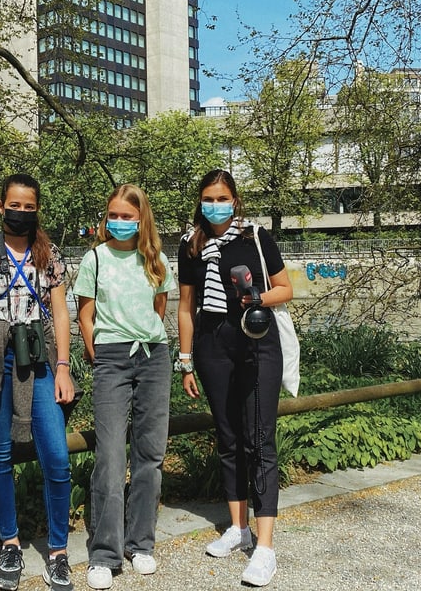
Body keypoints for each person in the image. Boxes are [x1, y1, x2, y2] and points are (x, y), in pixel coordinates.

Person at [177, 169, 293, 588]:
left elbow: (286, 289)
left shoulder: (256, 238)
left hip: (256, 343)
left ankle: (264, 548)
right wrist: (186, 359)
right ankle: (238, 526)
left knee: (259, 439)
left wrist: (256, 297)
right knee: (228, 437)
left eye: (222, 198)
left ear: (235, 201)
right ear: (200, 202)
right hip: (212, 347)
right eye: (208, 198)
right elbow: (186, 307)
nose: (215, 205)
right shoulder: (191, 245)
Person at [73, 184, 175, 591]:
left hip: (153, 356)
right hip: (111, 357)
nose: (118, 221)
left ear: (141, 219)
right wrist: (98, 352)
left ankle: (141, 543)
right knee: (111, 454)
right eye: (112, 214)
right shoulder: (94, 258)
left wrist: (147, 339)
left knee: (151, 452)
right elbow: (85, 313)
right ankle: (104, 552)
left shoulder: (156, 260)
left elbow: (160, 308)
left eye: (127, 216)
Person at [0, 173, 75, 591]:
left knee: (57, 456)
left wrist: (65, 367)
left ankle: (58, 550)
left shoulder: (47, 254)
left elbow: (61, 312)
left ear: (37, 209)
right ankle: (10, 543)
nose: (20, 213)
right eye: (13, 206)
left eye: (28, 207)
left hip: (38, 358)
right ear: (1, 207)